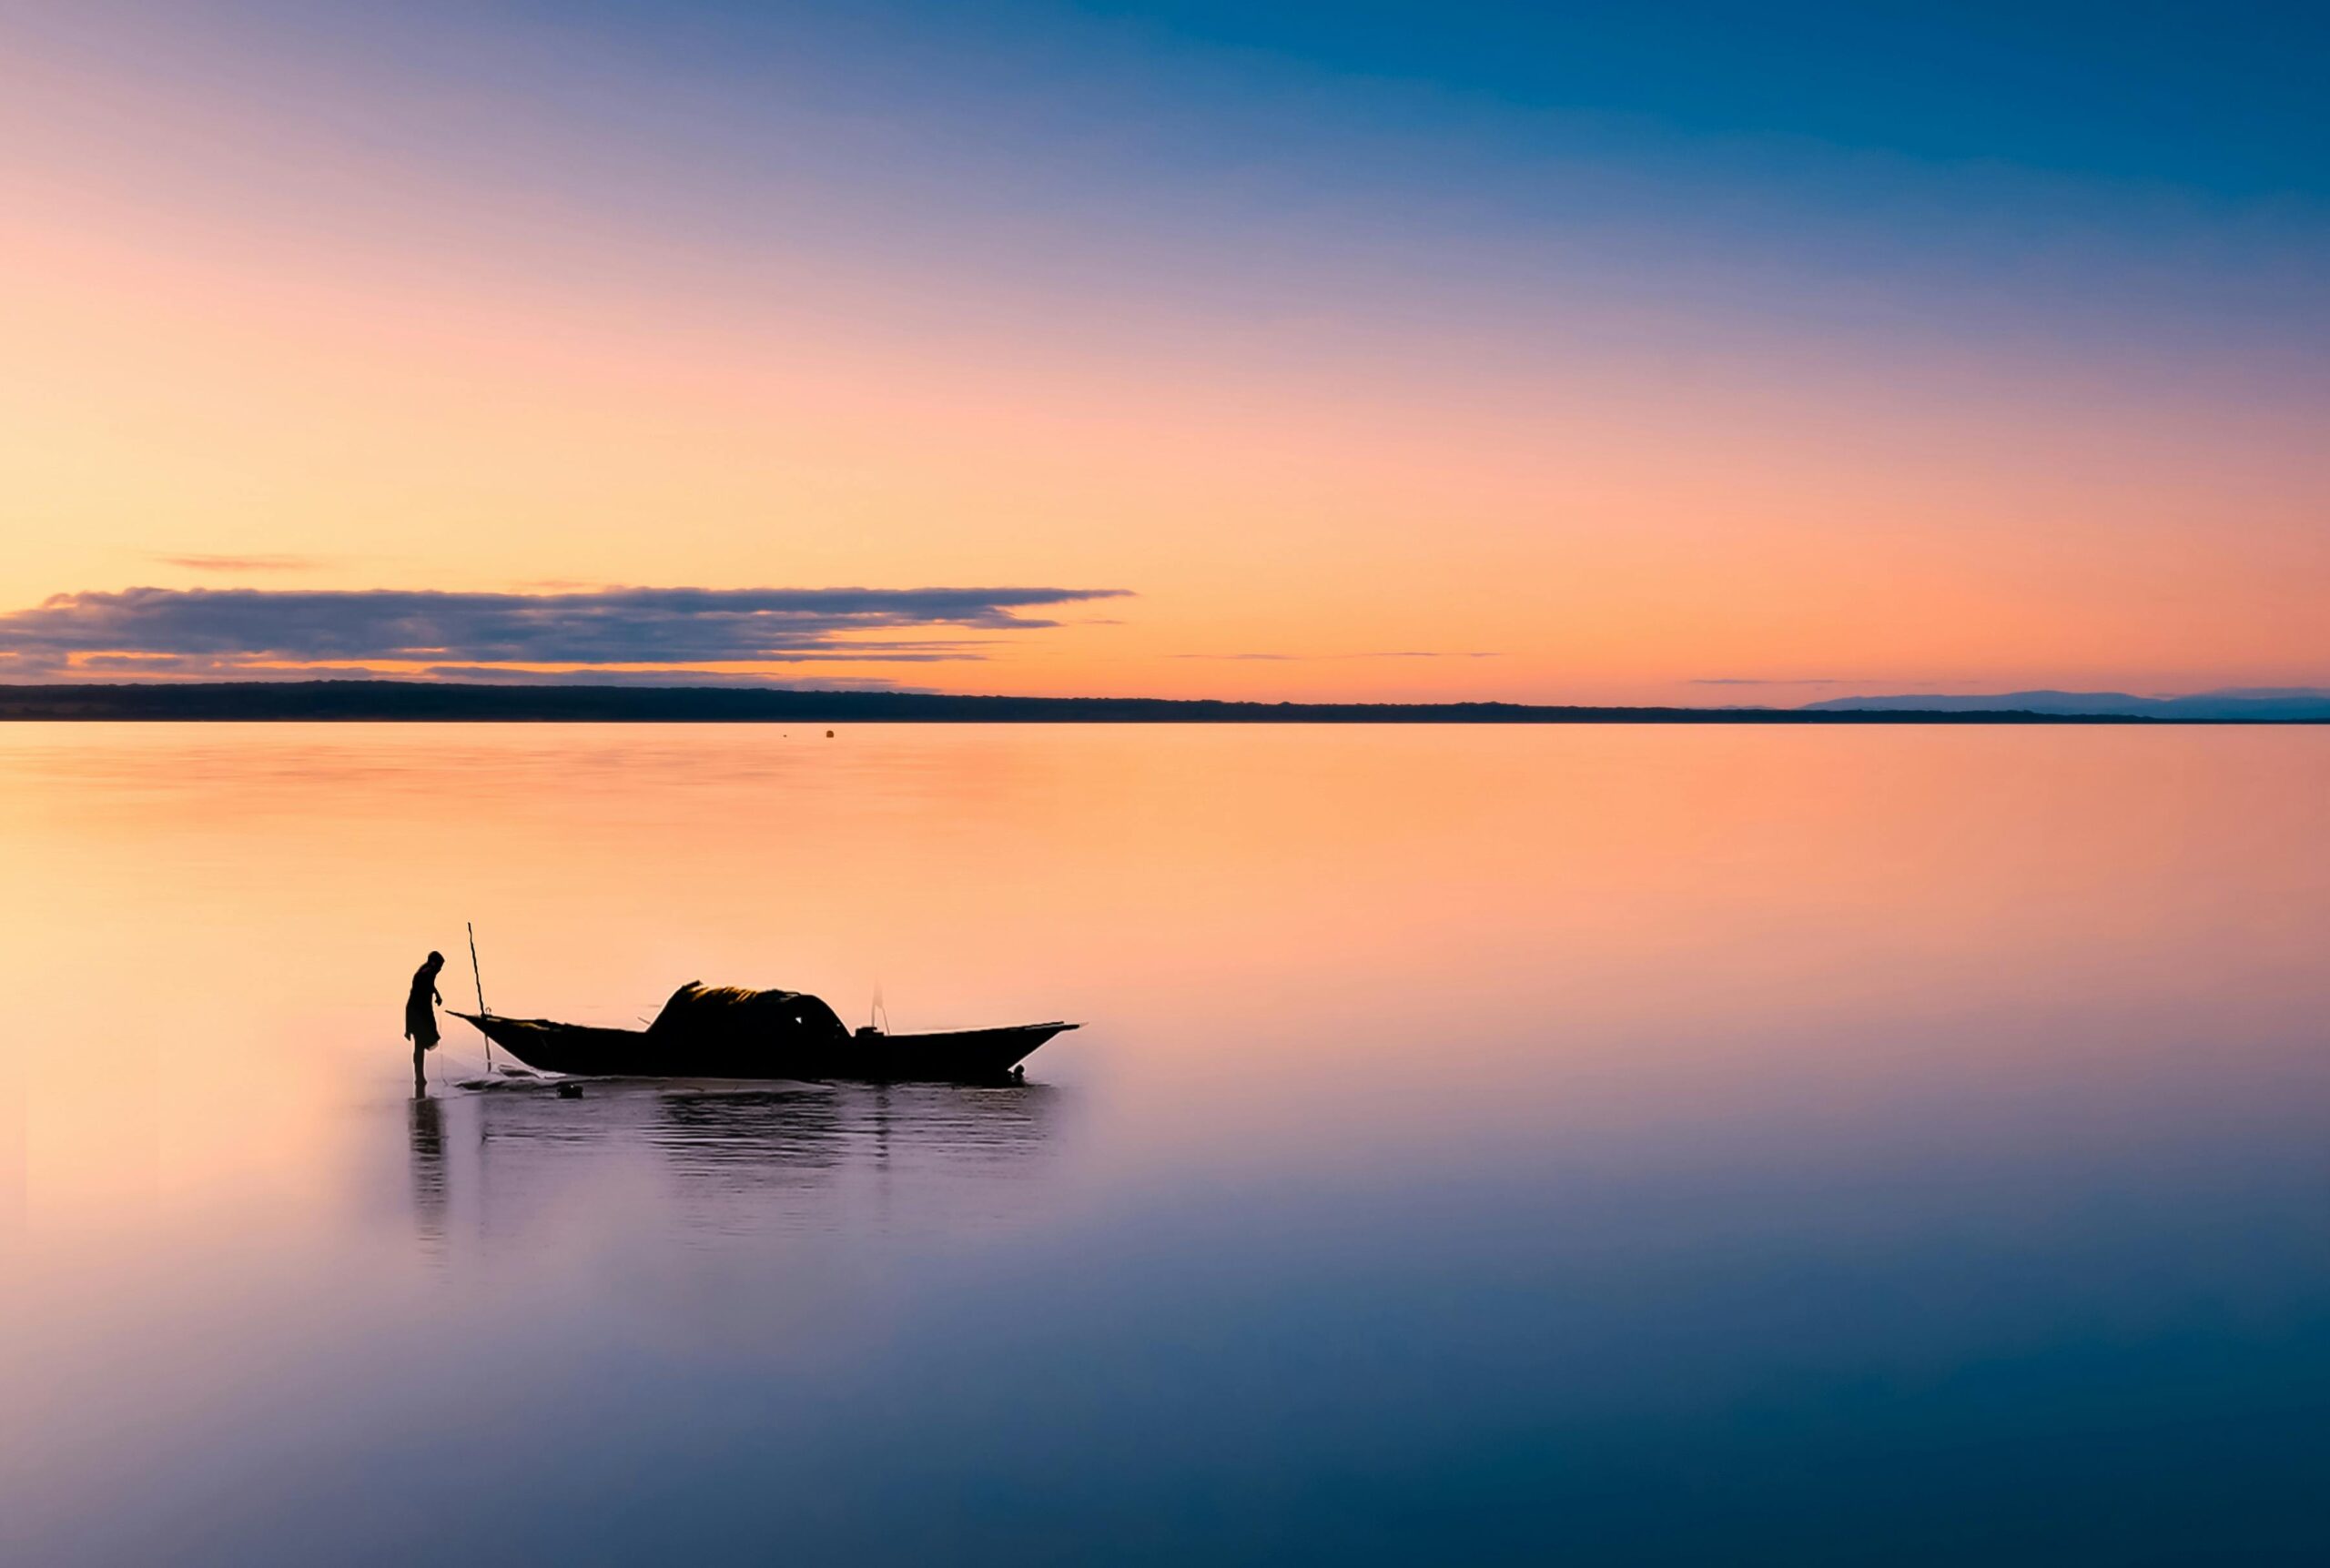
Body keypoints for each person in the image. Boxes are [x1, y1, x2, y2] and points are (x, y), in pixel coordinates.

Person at [406, 951, 445, 1093]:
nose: (440, 970)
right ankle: (419, 1077)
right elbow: (417, 996)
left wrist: (437, 994)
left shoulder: (428, 972)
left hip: (421, 1011)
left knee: (420, 1045)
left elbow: (431, 985)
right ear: (434, 963)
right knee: (419, 1046)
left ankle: (420, 1077)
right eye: (440, 966)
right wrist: (410, 1024)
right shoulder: (425, 973)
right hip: (417, 1012)